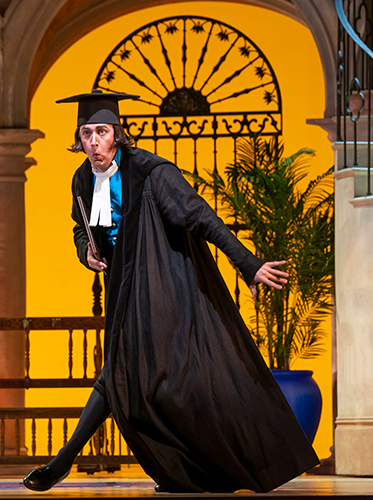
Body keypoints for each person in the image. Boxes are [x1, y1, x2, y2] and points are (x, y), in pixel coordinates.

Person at [23, 90, 319, 493]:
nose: (93, 142)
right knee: (123, 374)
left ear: (117, 134)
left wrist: (247, 263)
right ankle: (76, 463)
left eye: (101, 132)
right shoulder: (82, 179)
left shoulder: (151, 173)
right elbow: (81, 226)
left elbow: (201, 217)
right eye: (86, 133)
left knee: (148, 378)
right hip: (122, 288)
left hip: (164, 288)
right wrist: (84, 252)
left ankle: (63, 462)